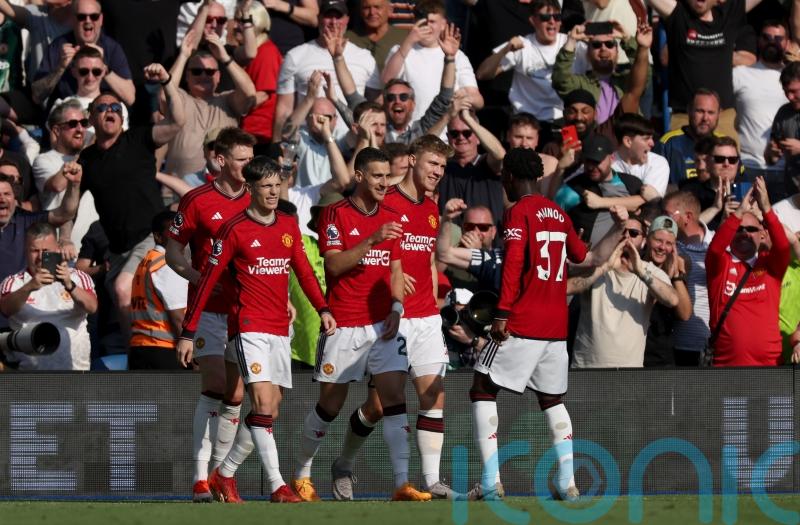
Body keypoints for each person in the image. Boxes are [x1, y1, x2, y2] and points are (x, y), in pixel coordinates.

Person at [303, 135, 456, 502]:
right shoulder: (385, 203)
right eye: (432, 163)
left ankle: (426, 481)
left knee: (431, 396)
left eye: (442, 166)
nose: (437, 171)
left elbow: (428, 261)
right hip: (380, 318)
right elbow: (373, 261)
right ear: (412, 160)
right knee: (371, 405)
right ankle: (338, 464)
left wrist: (429, 298)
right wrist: (394, 289)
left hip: (419, 316)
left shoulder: (432, 209)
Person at [175, 156, 334, 504]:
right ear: (250, 189)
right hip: (247, 327)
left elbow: (304, 272)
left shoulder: (289, 225)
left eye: (278, 185)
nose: (274, 192)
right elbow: (207, 282)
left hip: (280, 328)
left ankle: (225, 473)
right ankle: (278, 486)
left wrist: (322, 308)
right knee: (260, 401)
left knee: (270, 409)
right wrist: (189, 330)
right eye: (266, 186)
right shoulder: (233, 230)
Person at [470, 147, 587, 502]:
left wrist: (502, 314)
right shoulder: (559, 213)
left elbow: (514, 262)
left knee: (481, 388)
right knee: (552, 400)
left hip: (522, 321)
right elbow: (581, 255)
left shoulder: (517, 211)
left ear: (509, 176)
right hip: (555, 325)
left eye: (503, 175)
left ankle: (490, 482)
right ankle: (567, 482)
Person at [165, 127, 255, 502]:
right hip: (209, 312)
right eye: (242, 160)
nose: (249, 167)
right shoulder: (197, 200)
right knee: (215, 385)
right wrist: (195, 275)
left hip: (247, 311)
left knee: (236, 394)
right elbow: (172, 250)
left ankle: (220, 474)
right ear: (221, 160)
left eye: (253, 160)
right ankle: (200, 477)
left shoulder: (257, 199)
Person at [78, 63, 185, 345]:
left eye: (115, 107)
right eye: (101, 108)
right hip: (117, 248)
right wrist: (65, 237)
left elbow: (177, 122)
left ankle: (136, 359)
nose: (109, 111)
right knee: (125, 296)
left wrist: (167, 82)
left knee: (125, 290)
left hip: (148, 237)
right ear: (90, 119)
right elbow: (70, 207)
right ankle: (151, 352)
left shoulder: (137, 139)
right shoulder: (86, 161)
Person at [570, 215, 679, 368]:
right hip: (587, 367)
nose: (627, 236)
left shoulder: (650, 272)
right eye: (621, 231)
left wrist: (640, 271)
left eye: (634, 233)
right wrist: (604, 267)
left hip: (629, 372)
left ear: (643, 241)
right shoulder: (596, 267)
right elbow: (567, 288)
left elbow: (673, 299)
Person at [645, 0, 764, 139]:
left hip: (723, 117)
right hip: (685, 118)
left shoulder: (728, 14)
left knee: (727, 160)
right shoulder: (678, 14)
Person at [705, 176, 790, 366]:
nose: (744, 233)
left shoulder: (770, 265)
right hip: (729, 368)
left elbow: (783, 247)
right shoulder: (720, 265)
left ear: (762, 234)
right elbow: (716, 248)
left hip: (770, 366)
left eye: (751, 229)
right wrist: (739, 213)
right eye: (739, 229)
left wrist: (767, 209)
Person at [272, 0, 382, 139]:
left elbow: (376, 105)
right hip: (308, 144)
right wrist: (275, 147)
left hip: (350, 143)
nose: (333, 22)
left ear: (347, 19)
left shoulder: (365, 57)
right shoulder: (295, 56)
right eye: (328, 16)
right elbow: (284, 111)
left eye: (339, 17)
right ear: (318, 18)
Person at [162, 25, 256, 178]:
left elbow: (249, 92)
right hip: (178, 191)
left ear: (218, 76)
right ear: (187, 76)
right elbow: (165, 94)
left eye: (210, 72)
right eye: (197, 71)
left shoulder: (227, 100)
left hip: (222, 190)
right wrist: (183, 56)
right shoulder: (181, 98)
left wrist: (225, 57)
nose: (203, 76)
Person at [0, 222, 97, 370]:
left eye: (46, 251)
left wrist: (69, 285)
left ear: (58, 249)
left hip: (75, 371)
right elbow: (6, 309)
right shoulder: (14, 282)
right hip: (30, 376)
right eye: (34, 251)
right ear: (26, 251)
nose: (40, 257)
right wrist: (30, 287)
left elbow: (92, 307)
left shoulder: (78, 278)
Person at [382, 0, 483, 126]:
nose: (427, 26)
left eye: (433, 22)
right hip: (410, 132)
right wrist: (409, 41)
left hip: (446, 135)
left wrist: (463, 98)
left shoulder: (458, 56)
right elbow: (386, 81)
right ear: (415, 22)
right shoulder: (400, 50)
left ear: (443, 24)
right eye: (423, 21)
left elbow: (478, 101)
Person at [476, 0, 567, 130]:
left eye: (557, 17)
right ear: (533, 20)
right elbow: (482, 74)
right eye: (545, 17)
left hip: (560, 120)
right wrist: (505, 50)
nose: (552, 22)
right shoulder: (523, 45)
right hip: (526, 123)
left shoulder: (570, 44)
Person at [32, 0, 134, 108]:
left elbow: (130, 98)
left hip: (101, 113)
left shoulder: (112, 48)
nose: (88, 21)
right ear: (72, 19)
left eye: (94, 16)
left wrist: (104, 67)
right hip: (67, 116)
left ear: (101, 19)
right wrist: (61, 67)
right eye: (81, 17)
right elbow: (37, 96)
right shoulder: (59, 47)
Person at [552, 21, 652, 125]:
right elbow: (560, 80)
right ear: (588, 52)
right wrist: (571, 41)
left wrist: (627, 38)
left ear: (617, 51)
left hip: (627, 137)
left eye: (609, 44)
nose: (603, 48)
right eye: (596, 45)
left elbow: (645, 73)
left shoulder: (626, 79)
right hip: (595, 139)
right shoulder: (580, 84)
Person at [732, 20, 789, 198]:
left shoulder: (794, 78)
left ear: (787, 42)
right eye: (767, 37)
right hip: (748, 165)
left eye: (778, 38)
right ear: (759, 40)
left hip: (787, 169)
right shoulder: (740, 73)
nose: (772, 41)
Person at [555, 134, 644, 245]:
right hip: (588, 258)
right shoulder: (571, 191)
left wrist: (600, 202)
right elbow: (551, 219)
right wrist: (560, 169)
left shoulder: (632, 183)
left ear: (612, 158)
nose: (591, 167)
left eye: (597, 161)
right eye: (588, 161)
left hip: (626, 254)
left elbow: (644, 205)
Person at [128, 210, 188, 370]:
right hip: (164, 350)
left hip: (141, 348)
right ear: (158, 236)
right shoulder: (168, 265)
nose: (179, 236)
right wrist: (191, 353)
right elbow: (177, 317)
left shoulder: (147, 262)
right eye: (173, 231)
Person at [0, 168, 81, 285]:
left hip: (21, 296)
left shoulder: (26, 219)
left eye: (7, 194)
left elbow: (65, 214)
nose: (2, 199)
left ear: (14, 198)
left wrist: (74, 184)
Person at [662, 190, 716, 365]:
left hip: (714, 343)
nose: (662, 221)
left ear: (687, 217)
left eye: (667, 215)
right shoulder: (666, 248)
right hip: (679, 344)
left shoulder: (718, 242)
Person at [438, 108, 506, 244]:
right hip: (450, 249)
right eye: (454, 133)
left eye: (467, 133)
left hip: (489, 248)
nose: (461, 137)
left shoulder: (487, 164)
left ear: (478, 138)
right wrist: (445, 118)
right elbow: (420, 153)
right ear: (448, 137)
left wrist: (469, 120)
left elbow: (500, 155)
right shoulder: (441, 167)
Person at [641, 216, 692, 367]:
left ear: (674, 247)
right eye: (658, 240)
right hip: (634, 354)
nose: (662, 247)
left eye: (669, 243)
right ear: (648, 239)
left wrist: (676, 276)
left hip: (661, 358)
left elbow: (685, 314)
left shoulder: (677, 271)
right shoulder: (635, 265)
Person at [237, 2, 282, 144]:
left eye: (241, 22)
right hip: (249, 129)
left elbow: (262, 95)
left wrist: (233, 107)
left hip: (257, 132)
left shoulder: (266, 52)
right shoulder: (254, 51)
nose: (235, 27)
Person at [656, 89, 722, 186]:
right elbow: (656, 187)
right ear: (689, 110)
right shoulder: (668, 143)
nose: (705, 118)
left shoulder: (724, 144)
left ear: (719, 114)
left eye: (711, 112)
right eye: (700, 111)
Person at [611, 113, 669, 199]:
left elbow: (648, 202)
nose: (652, 143)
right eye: (646, 139)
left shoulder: (658, 162)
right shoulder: (605, 164)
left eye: (652, 138)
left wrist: (599, 202)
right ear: (628, 141)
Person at [766, 62, 800, 200]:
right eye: (786, 92)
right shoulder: (783, 113)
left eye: (794, 91)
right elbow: (770, 159)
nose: (790, 97)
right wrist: (771, 153)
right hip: (792, 193)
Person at [345, 0, 408, 70]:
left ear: (390, 10)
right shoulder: (348, 39)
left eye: (377, 7)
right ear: (360, 11)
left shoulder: (405, 39)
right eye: (366, 8)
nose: (372, 12)